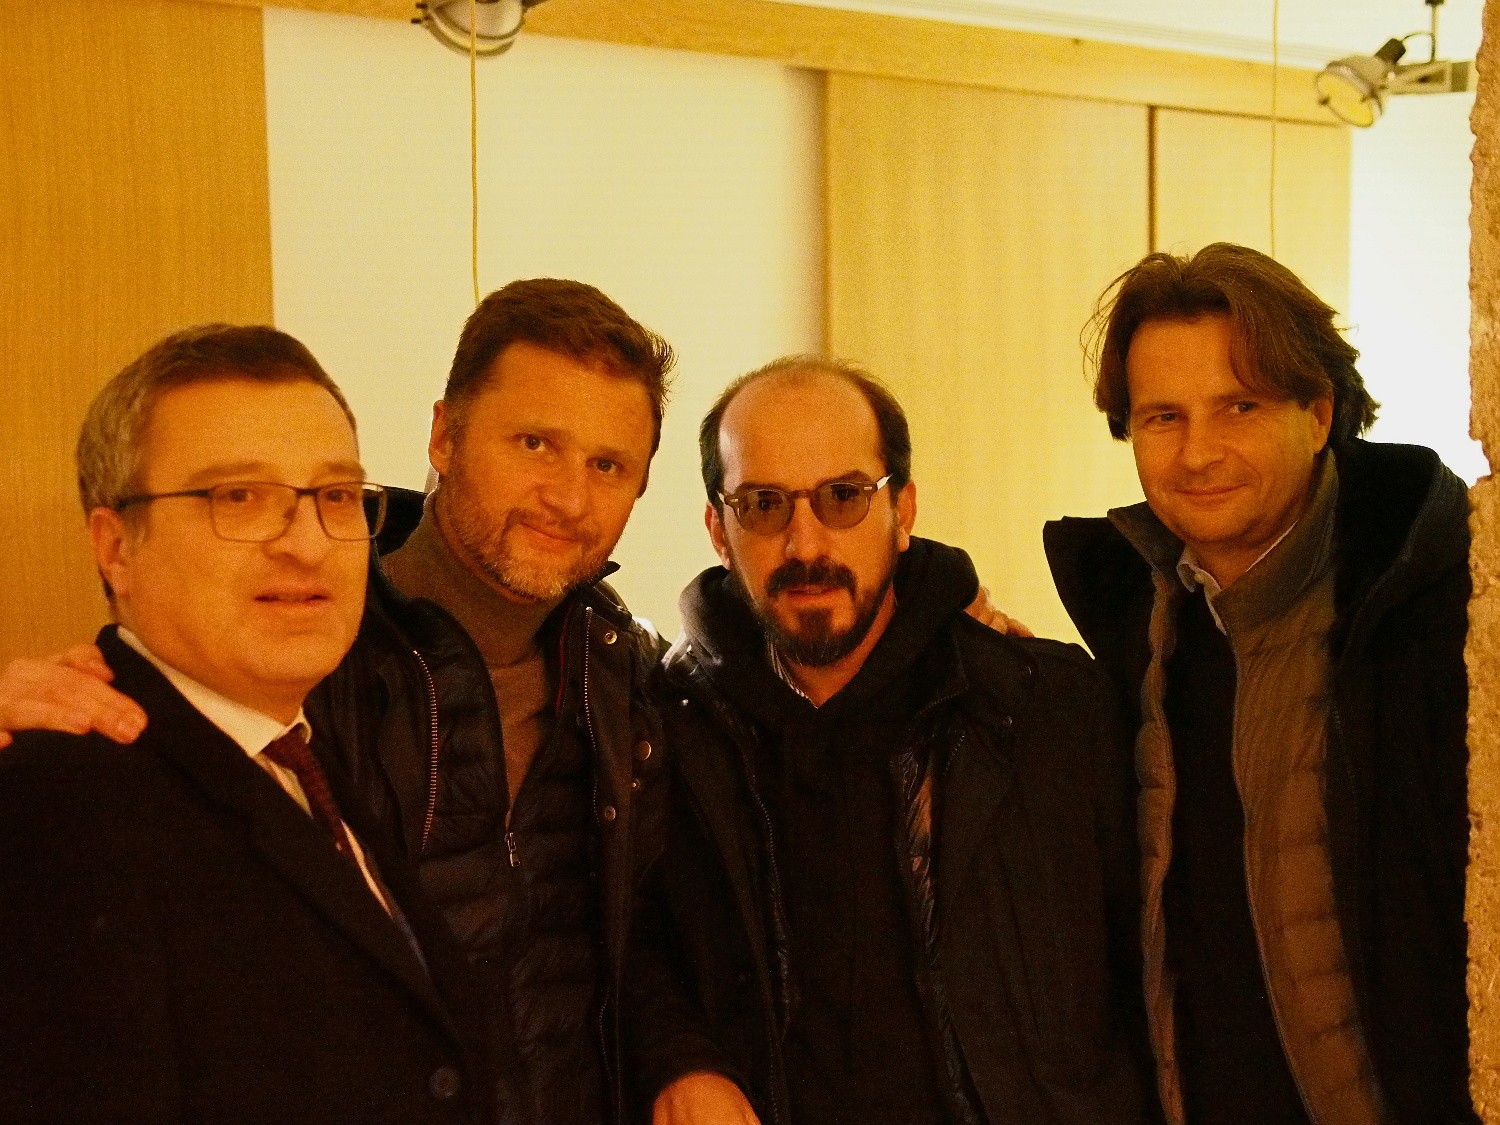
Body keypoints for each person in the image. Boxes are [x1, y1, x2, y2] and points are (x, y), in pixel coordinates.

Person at [0, 281, 674, 1125]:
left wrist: (684, 1060)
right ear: (115, 546)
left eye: (332, 497)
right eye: (238, 497)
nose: (304, 543)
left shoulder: (619, 677)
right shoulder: (63, 795)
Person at [626, 357, 1154, 1125]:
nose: (804, 542)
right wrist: (680, 1059)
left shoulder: (1050, 709)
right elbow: (630, 949)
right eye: (763, 504)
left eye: (843, 497)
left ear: (902, 510)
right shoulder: (661, 732)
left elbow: (1154, 981)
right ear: (719, 530)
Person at [1044, 243, 1476, 1125]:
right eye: (1163, 417)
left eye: (1238, 406)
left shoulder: (1447, 614)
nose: (1198, 452)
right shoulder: (1133, 629)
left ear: (1317, 413)